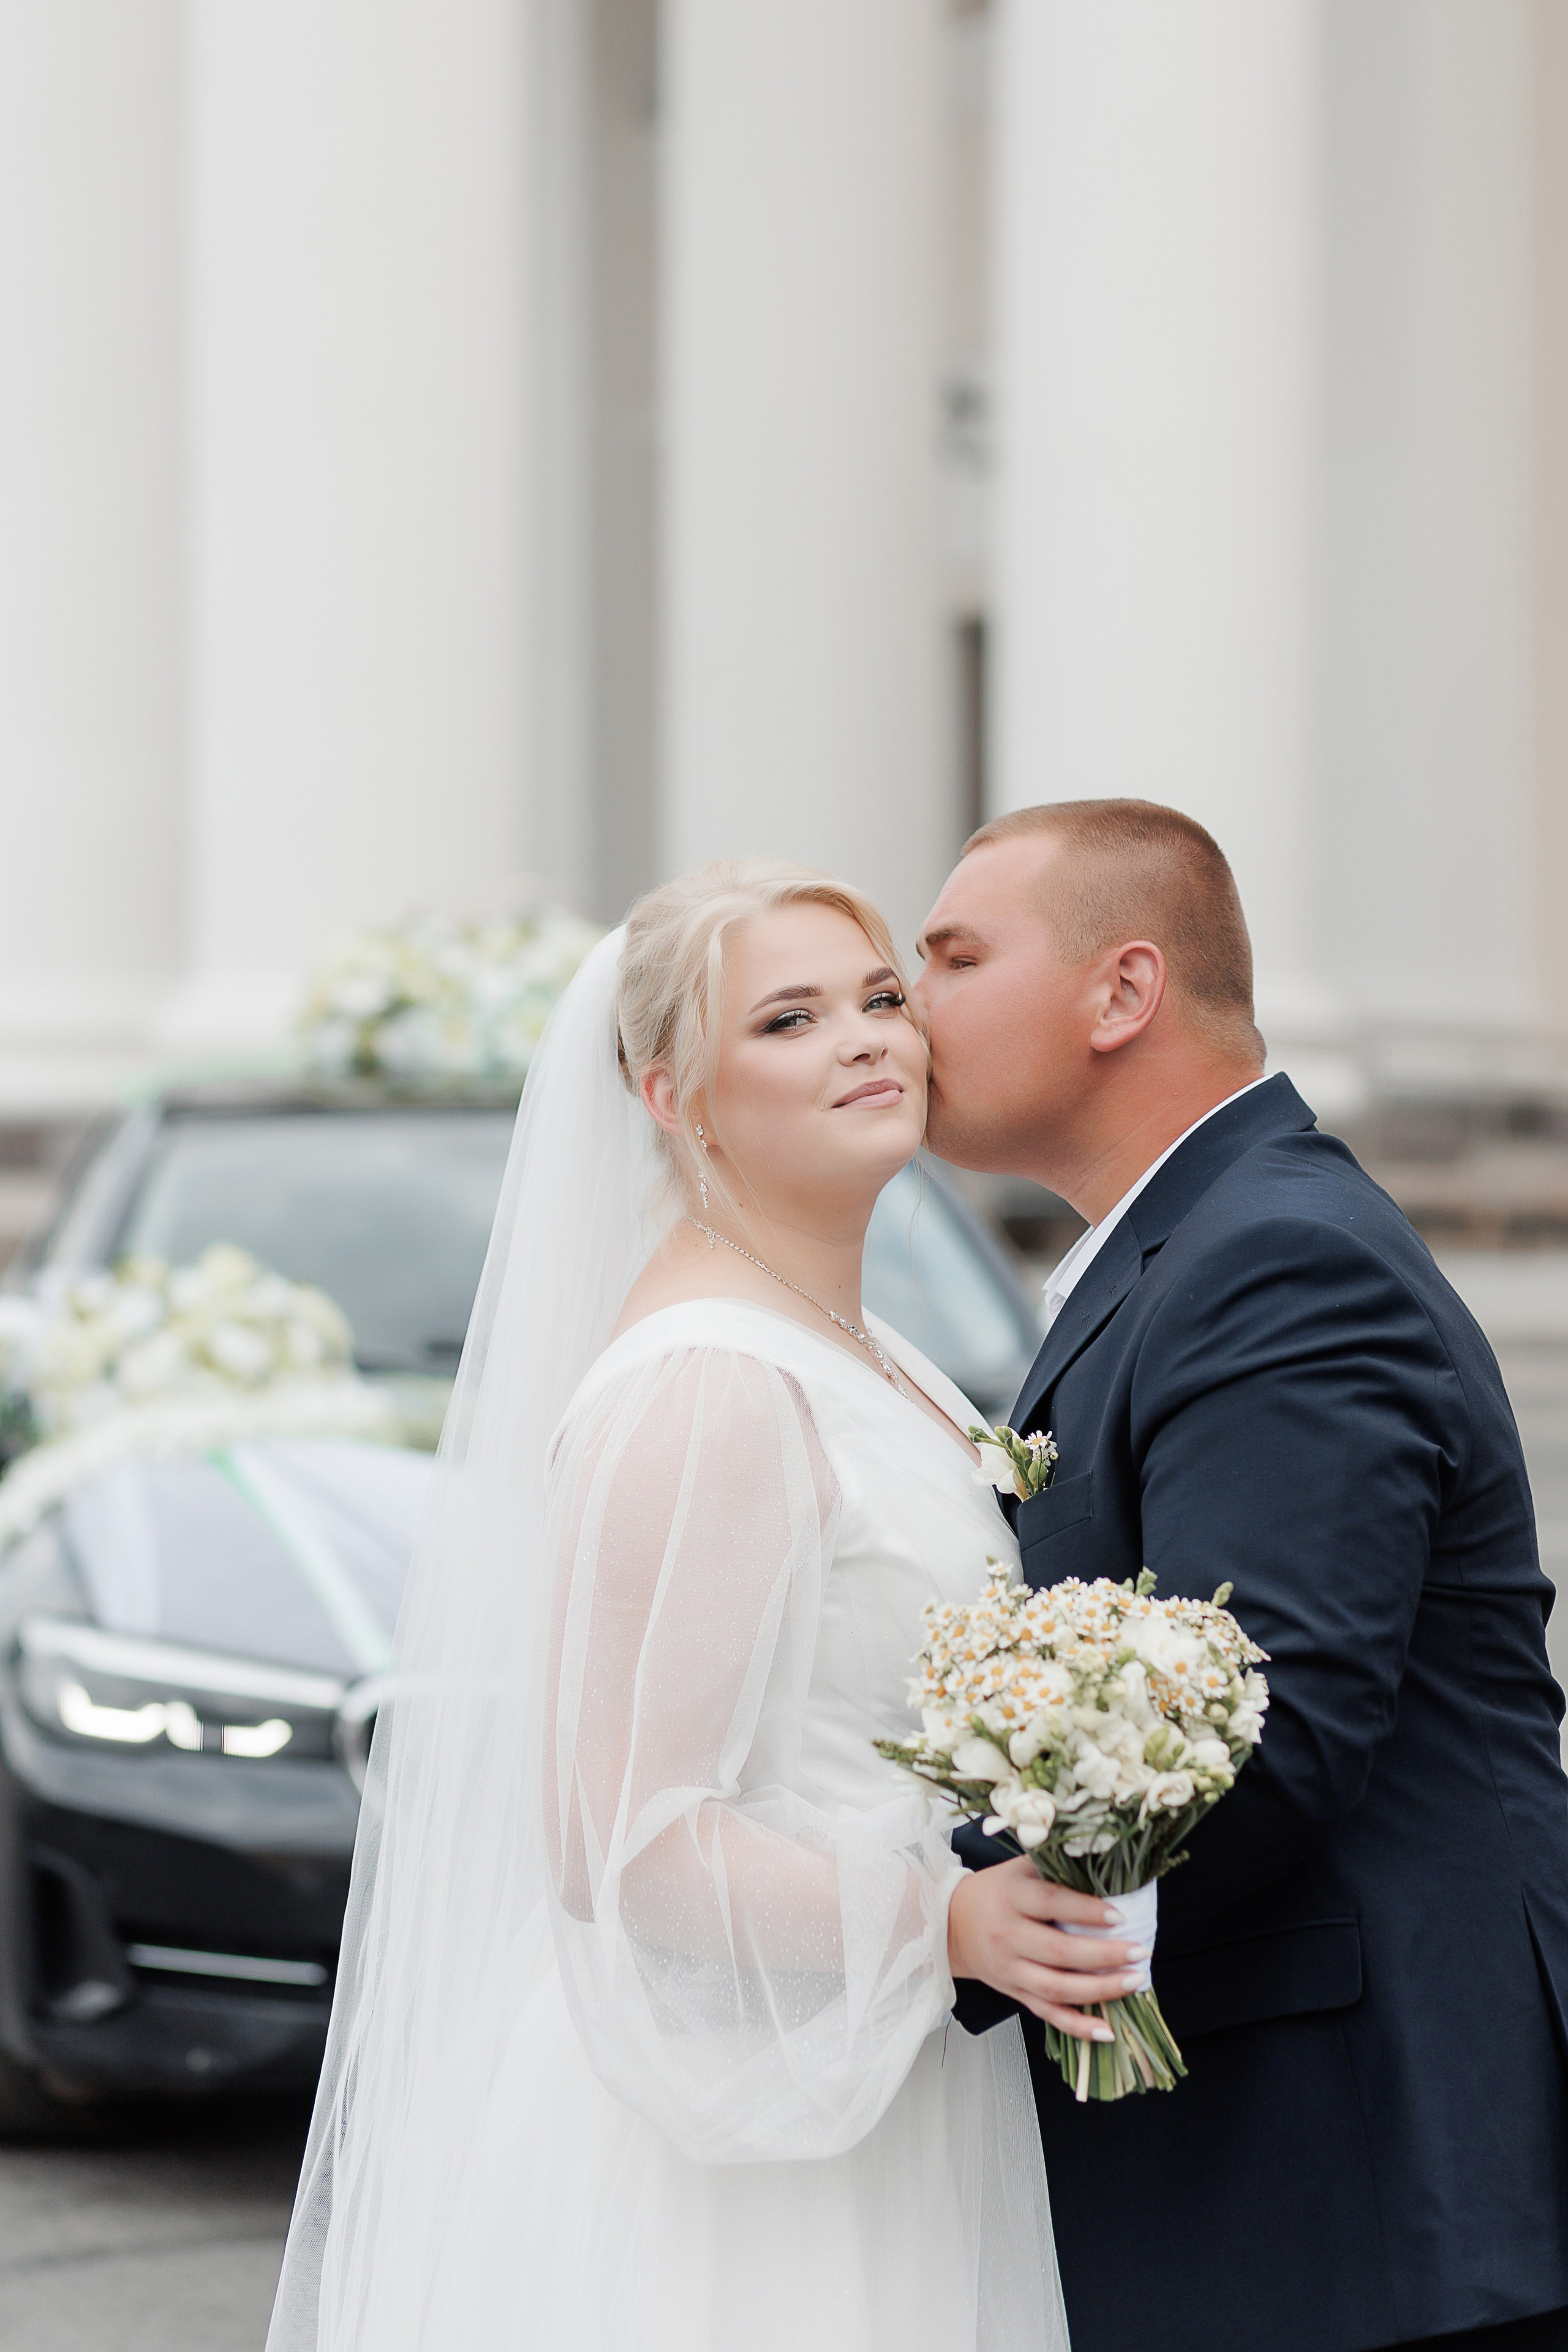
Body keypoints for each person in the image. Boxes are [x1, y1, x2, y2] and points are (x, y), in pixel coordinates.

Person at [265, 860, 1110, 2352]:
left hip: (881, 2056)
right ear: (672, 1097)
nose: (864, 1039)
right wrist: (946, 1917)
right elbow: (629, 1843)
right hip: (740, 2131)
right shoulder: (708, 1385)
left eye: (878, 997)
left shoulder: (857, 1343)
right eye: (788, 1019)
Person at [915, 798, 1568, 2352]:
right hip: (1281, 2181)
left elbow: (1259, 1732)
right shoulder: (1198, 1243)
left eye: (951, 957)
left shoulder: (1276, 1258)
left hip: (1363, 2173)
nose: (905, 1004)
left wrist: (903, 1920)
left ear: (1120, 991)